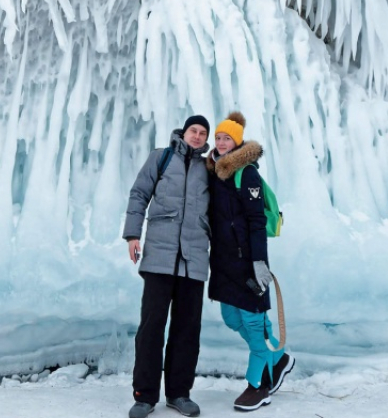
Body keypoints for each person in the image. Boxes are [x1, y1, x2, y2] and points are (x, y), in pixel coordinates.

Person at [123, 115, 212, 418]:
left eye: (203, 133)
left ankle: (179, 393)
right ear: (183, 132)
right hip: (159, 257)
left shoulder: (210, 168)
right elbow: (139, 194)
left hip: (195, 259)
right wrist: (133, 235)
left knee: (187, 330)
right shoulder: (160, 158)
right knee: (151, 328)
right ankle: (144, 395)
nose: (197, 136)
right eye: (193, 131)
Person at [206, 111, 294, 412]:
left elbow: (257, 222)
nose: (220, 142)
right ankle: (277, 358)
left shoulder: (247, 174)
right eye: (218, 137)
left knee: (254, 325)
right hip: (223, 264)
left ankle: (259, 385)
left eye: (226, 138)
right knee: (232, 319)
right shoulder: (215, 172)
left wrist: (259, 262)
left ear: (237, 142)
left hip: (247, 263)